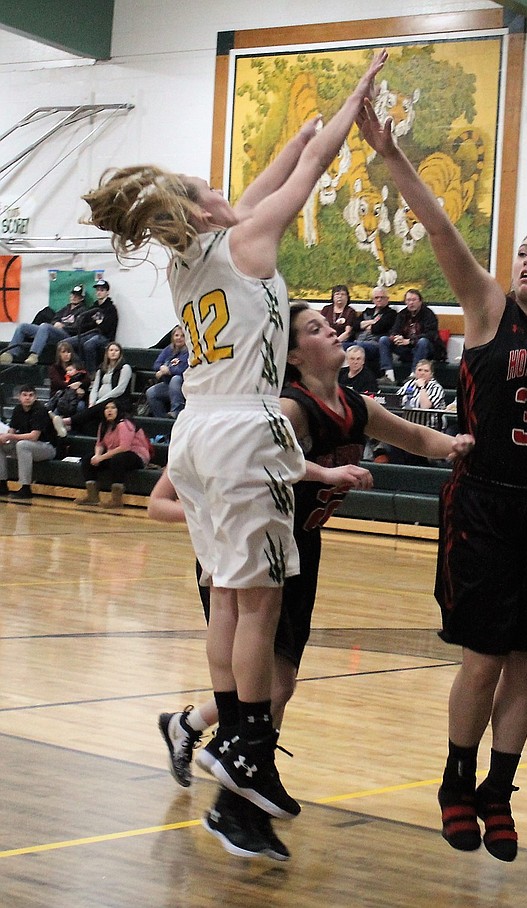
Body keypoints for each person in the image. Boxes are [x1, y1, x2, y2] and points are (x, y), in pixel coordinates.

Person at [83, 50, 389, 848]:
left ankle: (235, 741)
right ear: (201, 205)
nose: (228, 186)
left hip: (196, 428)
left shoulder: (196, 254)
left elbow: (269, 178)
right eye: (208, 182)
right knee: (262, 601)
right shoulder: (245, 239)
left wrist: (297, 131)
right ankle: (247, 747)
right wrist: (353, 105)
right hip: (249, 426)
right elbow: (307, 175)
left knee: (227, 593)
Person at [358, 97, 527, 863]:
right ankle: (457, 780)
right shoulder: (487, 308)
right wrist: (391, 155)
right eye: (520, 250)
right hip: (482, 499)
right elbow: (442, 227)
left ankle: (499, 792)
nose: (525, 260)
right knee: (483, 658)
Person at [156, 301, 471, 860]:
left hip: (303, 544)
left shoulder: (350, 403)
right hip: (249, 548)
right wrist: (324, 471)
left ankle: (196, 738)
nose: (335, 332)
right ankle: (235, 802)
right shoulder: (286, 409)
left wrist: (461, 447)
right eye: (318, 328)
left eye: (331, 325)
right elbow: (255, 460)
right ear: (294, 354)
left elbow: (418, 439)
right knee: (274, 682)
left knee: (281, 679)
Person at [76, 399, 149, 508]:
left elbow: (125, 447)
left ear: (118, 410)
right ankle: (92, 496)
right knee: (87, 459)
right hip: (114, 454)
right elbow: (99, 444)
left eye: (113, 408)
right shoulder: (103, 425)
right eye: (106, 408)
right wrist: (97, 455)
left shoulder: (124, 424)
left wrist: (102, 458)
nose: (109, 411)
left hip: (136, 455)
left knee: (118, 459)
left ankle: (116, 500)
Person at [1, 285, 89, 365]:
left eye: (77, 296)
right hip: (53, 331)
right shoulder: (65, 308)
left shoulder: (83, 311)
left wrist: (63, 326)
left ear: (82, 298)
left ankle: (34, 355)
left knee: (44, 326)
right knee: (23, 326)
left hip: (66, 335)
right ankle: (10, 354)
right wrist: (56, 323)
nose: (74, 297)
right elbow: (54, 319)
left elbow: (77, 327)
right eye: (73, 294)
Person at [0, 385, 60, 500]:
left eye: (31, 395)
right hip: (27, 446)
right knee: (2, 444)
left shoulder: (40, 410)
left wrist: (10, 435)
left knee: (23, 445)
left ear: (35, 397)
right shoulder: (18, 409)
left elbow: (34, 436)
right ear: (19, 397)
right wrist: (4, 437)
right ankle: (2, 484)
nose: (27, 398)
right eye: (24, 395)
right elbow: (11, 430)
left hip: (47, 448)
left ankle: (25, 488)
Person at [67, 341, 133, 436]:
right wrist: (92, 402)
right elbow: (95, 388)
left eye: (116, 350)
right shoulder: (102, 368)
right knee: (88, 422)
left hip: (117, 402)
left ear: (120, 353)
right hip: (99, 403)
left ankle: (69, 421)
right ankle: (71, 428)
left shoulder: (125, 367)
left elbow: (120, 389)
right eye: (111, 350)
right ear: (107, 353)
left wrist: (101, 401)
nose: (113, 352)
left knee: (91, 413)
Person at [384, 287, 444, 381]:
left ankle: (413, 375)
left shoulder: (428, 314)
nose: (411, 303)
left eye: (414, 300)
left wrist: (410, 341)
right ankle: (389, 375)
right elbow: (394, 330)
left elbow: (431, 335)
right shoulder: (402, 314)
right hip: (407, 349)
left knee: (423, 341)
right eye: (408, 300)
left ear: (420, 301)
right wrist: (396, 337)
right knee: (384, 340)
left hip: (427, 350)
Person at [352, 285, 397, 377]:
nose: (379, 299)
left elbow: (378, 328)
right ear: (372, 299)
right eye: (376, 297)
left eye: (382, 297)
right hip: (359, 341)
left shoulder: (391, 313)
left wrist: (364, 325)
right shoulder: (368, 311)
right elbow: (355, 326)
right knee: (342, 346)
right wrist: (371, 322)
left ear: (387, 299)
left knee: (356, 347)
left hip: (375, 344)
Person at [77, 279, 120, 372]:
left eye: (102, 290)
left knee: (88, 345)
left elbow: (106, 328)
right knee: (67, 343)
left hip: (105, 338)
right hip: (90, 334)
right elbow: (84, 325)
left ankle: (91, 375)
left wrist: (96, 323)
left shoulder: (111, 309)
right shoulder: (93, 308)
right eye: (97, 290)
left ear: (107, 292)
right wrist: (96, 323)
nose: (99, 292)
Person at [146, 326, 190, 418]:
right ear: (172, 337)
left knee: (176, 379)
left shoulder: (189, 351)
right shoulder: (168, 349)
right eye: (176, 335)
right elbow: (156, 364)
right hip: (168, 385)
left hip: (184, 386)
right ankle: (162, 418)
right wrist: (162, 368)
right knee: (151, 393)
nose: (179, 338)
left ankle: (176, 412)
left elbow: (184, 369)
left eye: (182, 336)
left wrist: (168, 371)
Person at [47, 340, 89, 421]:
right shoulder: (54, 368)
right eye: (63, 352)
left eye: (68, 352)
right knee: (57, 410)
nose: (66, 354)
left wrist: (79, 383)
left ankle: (72, 427)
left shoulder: (77, 366)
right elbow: (58, 383)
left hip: (75, 398)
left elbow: (87, 379)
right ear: (59, 354)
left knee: (81, 406)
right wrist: (75, 388)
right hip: (59, 397)